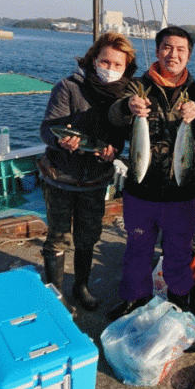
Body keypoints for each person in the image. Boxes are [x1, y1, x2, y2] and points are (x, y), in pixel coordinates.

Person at [107, 26, 195, 320]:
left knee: (179, 252)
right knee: (137, 250)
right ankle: (134, 298)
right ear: (157, 52)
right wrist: (128, 107)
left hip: (181, 193)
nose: (174, 54)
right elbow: (114, 117)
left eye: (181, 49)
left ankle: (179, 298)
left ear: (189, 56)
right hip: (140, 190)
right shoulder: (136, 86)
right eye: (168, 47)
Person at [39, 32, 136, 311]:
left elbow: (120, 137)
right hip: (60, 177)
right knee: (58, 237)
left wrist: (113, 151)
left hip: (95, 180)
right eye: (105, 61)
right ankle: (55, 295)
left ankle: (81, 286)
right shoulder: (68, 87)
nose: (110, 69)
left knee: (88, 237)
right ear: (93, 59)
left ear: (126, 68)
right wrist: (60, 140)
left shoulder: (124, 96)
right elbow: (47, 129)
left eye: (118, 65)